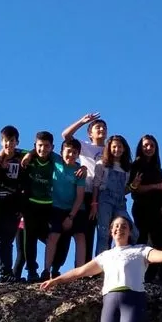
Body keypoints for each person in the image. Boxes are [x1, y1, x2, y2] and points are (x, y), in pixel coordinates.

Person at [62, 111, 107, 263]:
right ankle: (84, 268)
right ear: (90, 133)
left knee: (104, 232)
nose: (101, 130)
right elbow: (66, 136)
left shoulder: (110, 149)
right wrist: (82, 121)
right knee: (86, 231)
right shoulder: (85, 146)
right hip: (87, 192)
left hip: (104, 194)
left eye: (103, 128)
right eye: (97, 127)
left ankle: (100, 268)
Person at [0, 125, 26, 286]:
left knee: (7, 238)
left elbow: (35, 151)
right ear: (1, 142)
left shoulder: (21, 157)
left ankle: (5, 273)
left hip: (13, 204)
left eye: (11, 140)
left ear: (17, 141)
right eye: (5, 141)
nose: (8, 144)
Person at [43, 139, 86, 279]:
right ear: (61, 152)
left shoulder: (79, 171)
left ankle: (80, 272)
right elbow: (41, 148)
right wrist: (28, 155)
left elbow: (80, 196)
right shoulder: (56, 160)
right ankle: (46, 270)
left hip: (75, 208)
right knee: (53, 236)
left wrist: (71, 216)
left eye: (75, 153)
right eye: (69, 151)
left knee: (80, 236)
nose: (71, 155)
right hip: (56, 207)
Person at [130, 135, 162, 285]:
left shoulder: (158, 169)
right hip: (142, 208)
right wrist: (156, 186)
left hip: (157, 210)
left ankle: (161, 279)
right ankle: (143, 278)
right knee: (144, 242)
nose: (149, 148)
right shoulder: (136, 165)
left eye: (152, 146)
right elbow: (135, 189)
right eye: (146, 145)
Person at [19, 131, 56, 283]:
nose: (43, 149)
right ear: (35, 146)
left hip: (49, 205)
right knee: (30, 238)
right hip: (30, 204)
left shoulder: (55, 161)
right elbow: (10, 150)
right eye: (40, 146)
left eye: (47, 146)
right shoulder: (28, 158)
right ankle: (32, 270)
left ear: (52, 147)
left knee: (54, 237)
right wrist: (30, 154)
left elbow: (71, 163)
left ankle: (52, 269)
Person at [91, 135, 136, 255]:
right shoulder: (102, 164)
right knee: (104, 233)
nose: (117, 149)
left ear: (124, 148)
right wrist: (94, 203)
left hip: (120, 202)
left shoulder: (127, 168)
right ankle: (99, 268)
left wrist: (133, 186)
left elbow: (124, 190)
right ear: (109, 148)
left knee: (133, 232)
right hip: (105, 199)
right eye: (114, 147)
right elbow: (96, 185)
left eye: (120, 147)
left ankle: (124, 258)